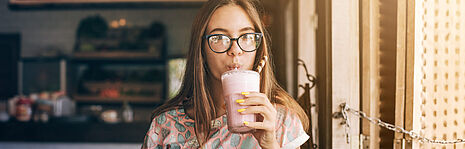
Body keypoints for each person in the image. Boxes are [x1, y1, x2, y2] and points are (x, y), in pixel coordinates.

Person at [142, 0, 309, 148]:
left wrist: (270, 144)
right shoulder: (165, 126)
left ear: (258, 49)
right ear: (201, 50)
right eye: (219, 38)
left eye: (246, 37)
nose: (235, 50)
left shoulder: (282, 121)